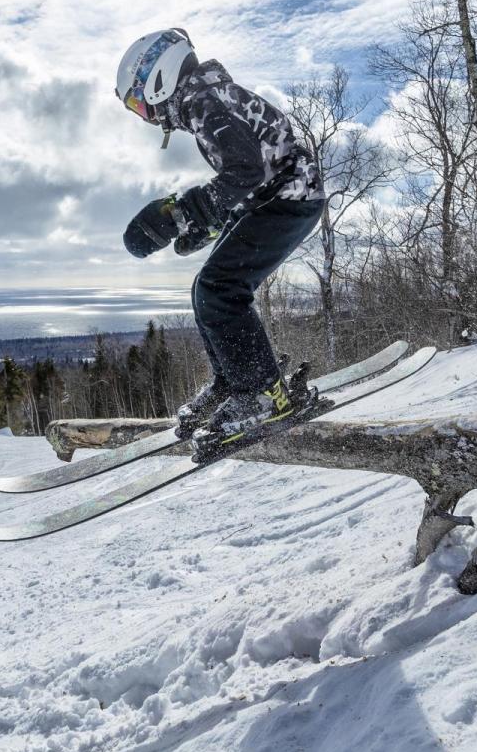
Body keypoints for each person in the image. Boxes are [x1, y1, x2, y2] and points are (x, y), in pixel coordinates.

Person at [115, 28, 325, 447]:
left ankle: (264, 394)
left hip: (290, 197)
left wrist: (183, 214)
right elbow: (245, 171)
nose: (145, 115)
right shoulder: (206, 97)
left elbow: (244, 171)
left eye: (139, 103)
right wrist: (204, 223)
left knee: (220, 288)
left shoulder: (204, 102)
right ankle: (235, 381)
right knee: (206, 288)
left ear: (157, 79)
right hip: (277, 195)